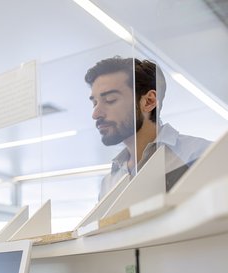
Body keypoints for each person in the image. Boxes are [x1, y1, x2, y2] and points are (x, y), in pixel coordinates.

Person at [85, 56, 211, 199]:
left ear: (149, 101)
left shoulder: (201, 155)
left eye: (110, 100)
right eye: (94, 103)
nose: (95, 114)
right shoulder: (108, 183)